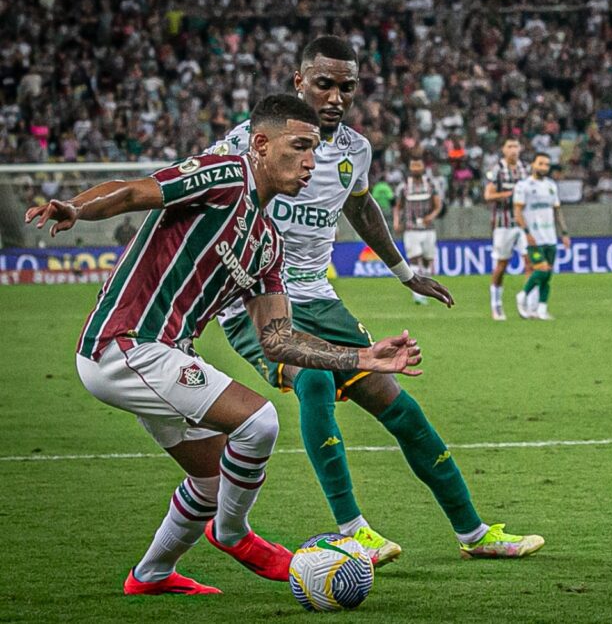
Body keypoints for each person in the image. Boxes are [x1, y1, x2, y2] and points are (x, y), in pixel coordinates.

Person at [25, 94, 423, 596]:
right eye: (299, 147)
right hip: (124, 343)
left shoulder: (266, 244)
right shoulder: (223, 173)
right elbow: (132, 192)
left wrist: (361, 358)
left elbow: (277, 340)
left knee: (212, 482)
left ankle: (149, 576)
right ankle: (234, 534)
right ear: (260, 143)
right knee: (259, 422)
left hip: (163, 357)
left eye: (316, 152)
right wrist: (75, 208)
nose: (310, 162)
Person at [210, 36, 543, 564]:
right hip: (257, 300)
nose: (337, 96)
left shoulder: (354, 150)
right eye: (324, 84)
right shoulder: (246, 143)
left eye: (347, 87)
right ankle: (351, 529)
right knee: (314, 378)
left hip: (320, 298)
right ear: (299, 83)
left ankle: (475, 534)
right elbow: (195, 199)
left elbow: (361, 209)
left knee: (402, 411)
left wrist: (406, 273)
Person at [513, 153, 571, 320]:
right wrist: (526, 232)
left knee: (548, 275)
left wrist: (564, 233)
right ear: (533, 164)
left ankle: (542, 310)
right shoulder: (523, 186)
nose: (544, 167)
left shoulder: (551, 186)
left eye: (546, 164)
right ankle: (522, 295)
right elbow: (517, 212)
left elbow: (557, 211)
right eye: (541, 163)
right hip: (533, 237)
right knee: (541, 269)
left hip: (550, 237)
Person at [484, 137, 530, 320]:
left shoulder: (525, 169)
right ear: (504, 150)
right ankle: (496, 304)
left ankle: (526, 304)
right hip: (503, 224)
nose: (513, 150)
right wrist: (509, 194)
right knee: (501, 266)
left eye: (516, 146)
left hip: (524, 224)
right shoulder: (498, 170)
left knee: (530, 262)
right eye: (510, 146)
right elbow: (488, 195)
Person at [393, 156, 443, 305]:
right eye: (413, 166)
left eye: (418, 165)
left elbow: (438, 205)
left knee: (428, 261)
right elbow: (398, 206)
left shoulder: (430, 184)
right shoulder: (404, 187)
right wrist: (397, 222)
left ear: (423, 167)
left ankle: (425, 290)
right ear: (410, 168)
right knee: (414, 258)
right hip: (411, 229)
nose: (416, 168)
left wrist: (431, 216)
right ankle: (417, 294)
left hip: (428, 228)